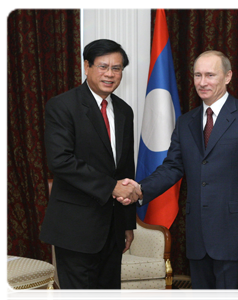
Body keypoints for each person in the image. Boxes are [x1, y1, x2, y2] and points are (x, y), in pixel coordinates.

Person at [124, 50, 238, 300]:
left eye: (210, 75)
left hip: (237, 233)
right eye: (197, 75)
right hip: (198, 236)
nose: (202, 82)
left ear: (227, 77)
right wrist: (140, 190)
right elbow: (172, 167)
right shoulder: (186, 122)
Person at [40, 39, 141, 300]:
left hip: (113, 229)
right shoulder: (63, 106)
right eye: (103, 66)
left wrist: (127, 224)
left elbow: (125, 170)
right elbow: (61, 160)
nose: (110, 74)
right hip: (76, 229)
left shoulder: (124, 111)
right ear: (87, 66)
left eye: (117, 68)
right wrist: (111, 187)